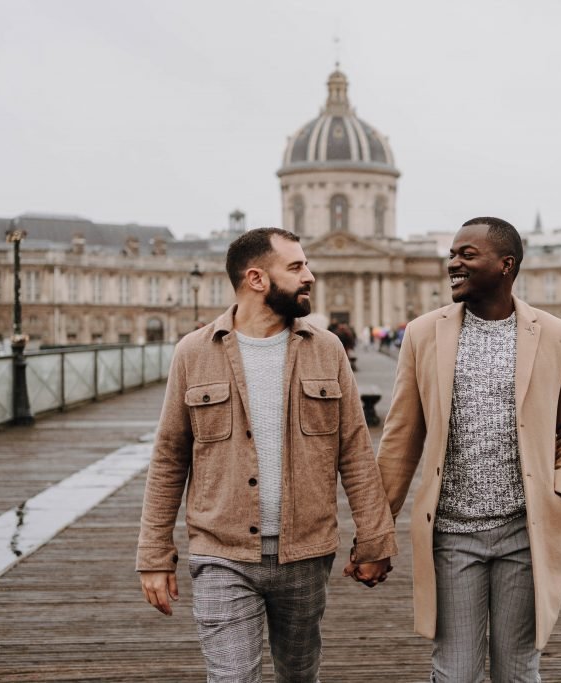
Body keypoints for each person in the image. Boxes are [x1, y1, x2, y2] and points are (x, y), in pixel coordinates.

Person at [137, 227, 396, 682]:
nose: (310, 276)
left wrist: (374, 540)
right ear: (257, 279)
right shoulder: (193, 353)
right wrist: (154, 555)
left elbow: (354, 450)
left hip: (306, 553)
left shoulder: (327, 349)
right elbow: (168, 459)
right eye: (296, 267)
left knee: (298, 674)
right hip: (221, 552)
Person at [350, 217, 561, 682]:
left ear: (506, 265)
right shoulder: (424, 333)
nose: (452, 264)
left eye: (467, 254)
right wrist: (373, 535)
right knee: (454, 672)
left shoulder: (558, 335)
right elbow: (401, 439)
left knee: (518, 671)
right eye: (451, 254)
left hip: (526, 531)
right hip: (451, 534)